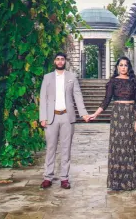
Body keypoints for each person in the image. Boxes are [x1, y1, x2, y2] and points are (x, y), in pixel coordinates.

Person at [89, 56, 136, 191]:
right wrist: (95, 114)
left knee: (132, 146)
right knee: (119, 146)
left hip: (131, 114)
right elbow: (106, 101)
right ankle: (119, 181)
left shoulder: (134, 82)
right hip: (118, 115)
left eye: (126, 65)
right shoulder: (113, 82)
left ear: (129, 67)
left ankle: (134, 180)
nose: (123, 67)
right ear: (117, 67)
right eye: (121, 65)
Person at [39, 52, 90, 189]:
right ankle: (47, 177)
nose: (60, 61)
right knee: (50, 148)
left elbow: (77, 96)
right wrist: (42, 117)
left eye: (62, 59)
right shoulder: (47, 77)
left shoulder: (71, 77)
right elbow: (43, 98)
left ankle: (64, 178)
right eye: (58, 59)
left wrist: (83, 113)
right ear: (54, 61)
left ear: (65, 61)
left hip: (67, 117)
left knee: (66, 149)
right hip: (51, 117)